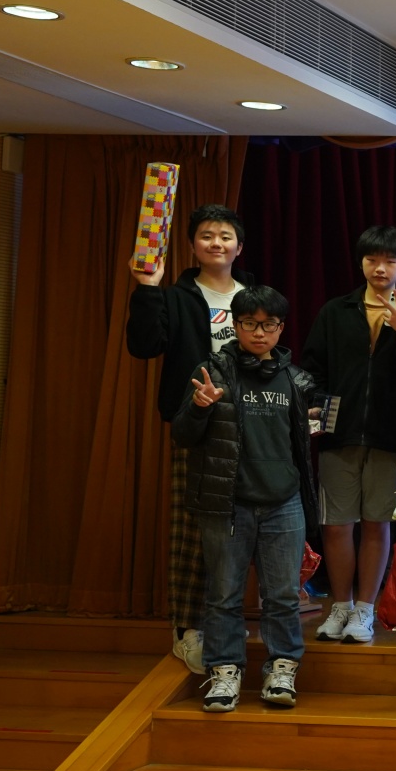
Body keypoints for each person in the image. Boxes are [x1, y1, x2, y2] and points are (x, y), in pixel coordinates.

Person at [172, 286, 320, 713]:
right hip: (227, 501)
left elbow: (301, 445)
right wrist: (199, 407)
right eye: (250, 323)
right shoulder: (211, 372)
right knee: (223, 594)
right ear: (235, 326)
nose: (259, 332)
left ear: (281, 328)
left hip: (284, 501)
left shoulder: (297, 380)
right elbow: (182, 434)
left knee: (283, 596)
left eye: (268, 324)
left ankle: (282, 668)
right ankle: (224, 671)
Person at [126, 202, 251, 672]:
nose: (216, 243)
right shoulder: (177, 296)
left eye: (225, 236)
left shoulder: (254, 296)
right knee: (192, 530)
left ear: (239, 247)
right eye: (206, 236)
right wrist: (147, 288)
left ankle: (225, 622)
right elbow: (144, 346)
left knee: (241, 529)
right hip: (194, 424)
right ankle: (187, 629)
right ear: (193, 245)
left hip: (248, 426)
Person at [299, 225, 396, 645]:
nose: (380, 268)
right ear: (361, 263)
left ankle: (365, 609)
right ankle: (339, 606)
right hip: (338, 434)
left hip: (392, 438)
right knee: (336, 525)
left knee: (377, 524)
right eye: (372, 259)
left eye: (390, 261)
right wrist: (317, 403)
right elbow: (312, 368)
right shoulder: (336, 311)